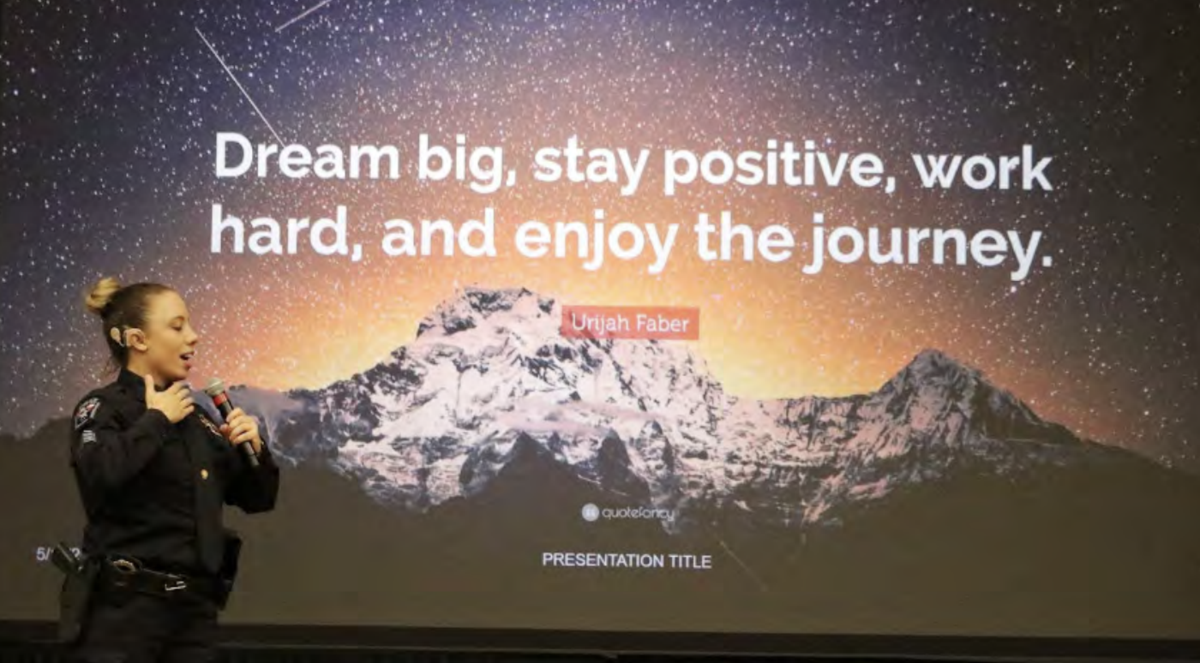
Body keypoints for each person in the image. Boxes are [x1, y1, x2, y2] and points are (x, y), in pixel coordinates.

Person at [62, 277, 280, 663]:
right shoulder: (103, 408)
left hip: (194, 616)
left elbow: (258, 498)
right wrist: (157, 420)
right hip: (122, 614)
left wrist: (256, 451)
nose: (193, 337)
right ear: (138, 340)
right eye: (177, 327)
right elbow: (100, 474)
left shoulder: (198, 418)